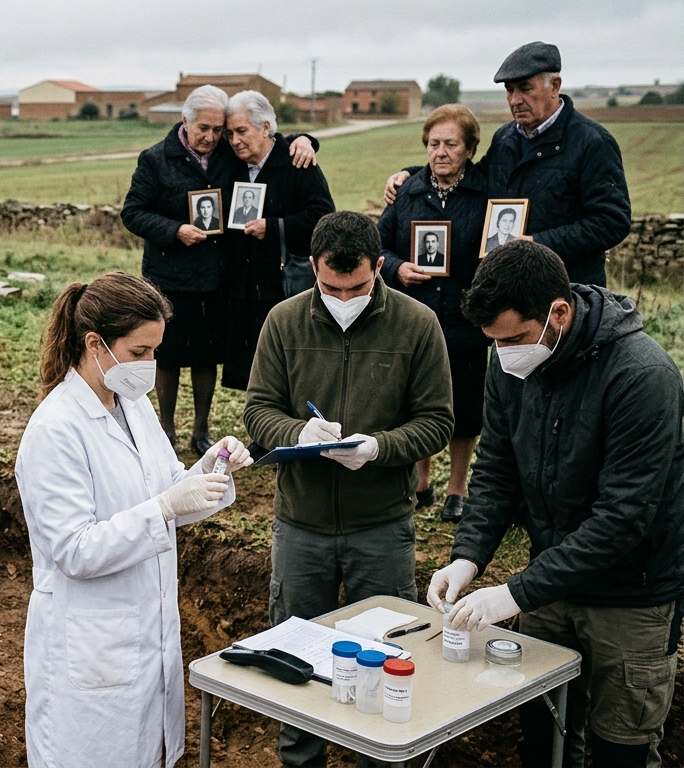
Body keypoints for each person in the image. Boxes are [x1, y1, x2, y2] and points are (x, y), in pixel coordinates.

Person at [428, 242, 684, 768]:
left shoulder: (642, 376)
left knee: (621, 746)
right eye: (494, 343)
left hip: (631, 593)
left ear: (558, 313)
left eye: (515, 338)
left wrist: (514, 594)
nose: (505, 354)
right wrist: (468, 556)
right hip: (550, 580)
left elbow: (624, 518)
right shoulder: (510, 365)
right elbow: (497, 470)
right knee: (542, 730)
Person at [16, 271, 253, 768]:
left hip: (145, 631)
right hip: (91, 641)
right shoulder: (55, 430)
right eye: (139, 351)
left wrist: (213, 468)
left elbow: (170, 488)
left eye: (155, 351)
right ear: (94, 343)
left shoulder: (134, 405)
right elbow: (75, 551)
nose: (151, 365)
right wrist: (165, 507)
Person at [244, 212, 453, 768]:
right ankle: (300, 760)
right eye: (331, 287)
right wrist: (297, 432)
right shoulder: (283, 322)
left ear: (378, 266)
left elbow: (437, 420)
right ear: (311, 267)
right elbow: (258, 409)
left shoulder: (417, 324)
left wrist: (378, 448)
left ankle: (382, 758)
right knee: (293, 659)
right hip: (301, 525)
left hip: (380, 526)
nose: (343, 296)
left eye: (357, 287)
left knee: (387, 659)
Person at [122, 84, 317, 454]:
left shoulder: (229, 154)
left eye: (219, 130)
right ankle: (165, 427)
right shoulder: (155, 159)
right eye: (204, 129)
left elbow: (267, 138)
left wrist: (307, 139)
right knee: (168, 354)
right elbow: (132, 212)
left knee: (206, 355)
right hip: (170, 277)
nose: (212, 137)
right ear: (185, 122)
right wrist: (174, 230)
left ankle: (201, 429)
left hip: (216, 277)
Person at [386, 41, 630, 286]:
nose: (515, 100)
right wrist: (411, 174)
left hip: (569, 289)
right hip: (512, 290)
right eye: (509, 90)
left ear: (554, 86)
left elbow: (612, 222)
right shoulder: (505, 138)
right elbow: (472, 176)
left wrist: (538, 244)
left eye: (525, 88)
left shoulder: (592, 142)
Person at [377, 104, 491, 523]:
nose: (440, 152)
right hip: (416, 316)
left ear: (469, 149)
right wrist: (396, 268)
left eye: (451, 143)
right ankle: (421, 482)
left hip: (466, 316)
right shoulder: (406, 191)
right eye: (433, 143)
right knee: (418, 400)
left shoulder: (486, 192)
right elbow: (379, 244)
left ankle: (457, 489)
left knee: (464, 404)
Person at [220, 90, 334, 392]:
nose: (234, 140)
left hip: (281, 284)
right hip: (241, 286)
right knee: (249, 372)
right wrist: (305, 136)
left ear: (266, 128)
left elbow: (323, 215)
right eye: (229, 133)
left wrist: (273, 226)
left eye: (242, 131)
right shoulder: (231, 162)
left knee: (284, 369)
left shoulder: (297, 162)